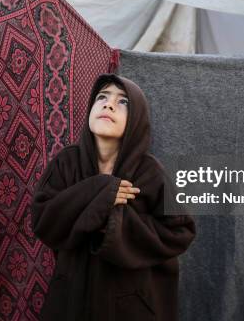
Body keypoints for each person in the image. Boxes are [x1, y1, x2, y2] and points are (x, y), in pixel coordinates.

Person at [32, 73, 196, 321]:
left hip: (130, 304)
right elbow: (44, 221)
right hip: (72, 299)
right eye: (102, 97)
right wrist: (100, 190)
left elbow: (180, 232)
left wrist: (113, 221)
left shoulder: (149, 172)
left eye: (123, 102)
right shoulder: (67, 163)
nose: (108, 104)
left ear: (136, 119)